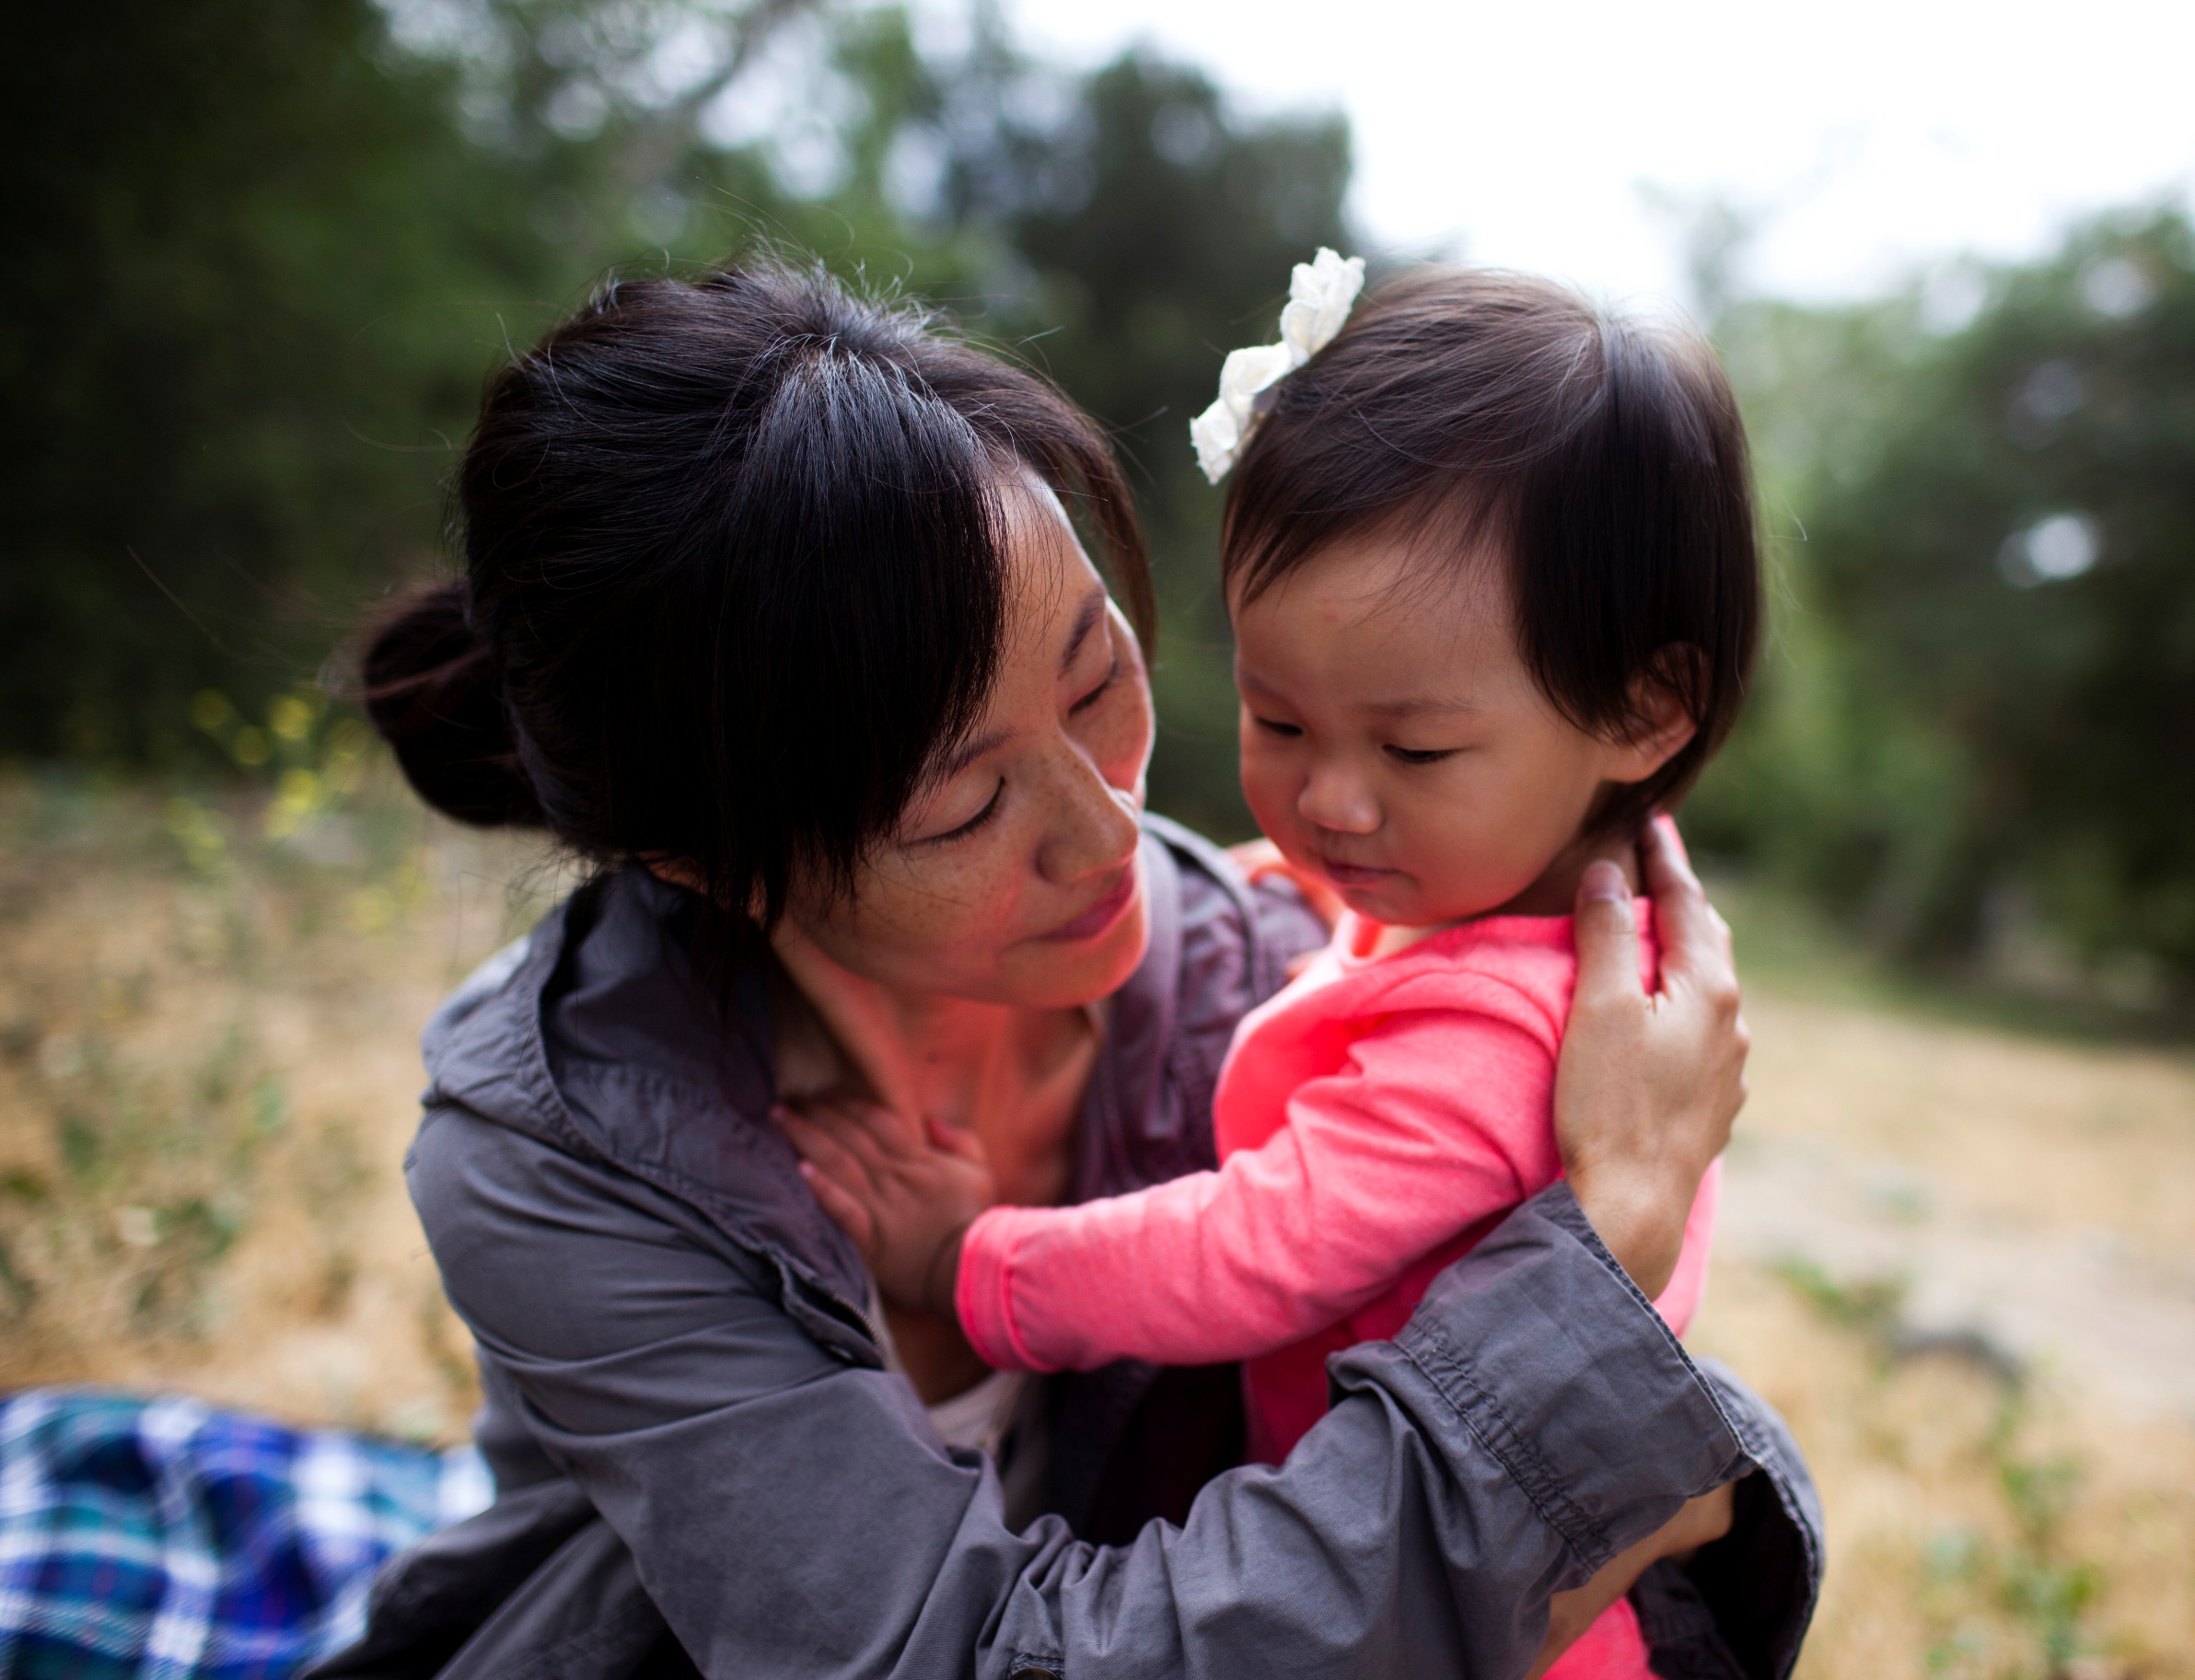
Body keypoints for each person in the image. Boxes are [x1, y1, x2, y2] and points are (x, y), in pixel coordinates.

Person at [304, 257, 1820, 1680]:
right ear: (703, 856)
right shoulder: (573, 1155)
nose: (1112, 837)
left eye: (1099, 677)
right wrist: (1605, 1238)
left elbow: (1659, 1482)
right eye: (964, 807)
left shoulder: (1266, 968)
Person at [781, 256, 1759, 1680]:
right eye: (1277, 716)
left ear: (1640, 707)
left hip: (1498, 1625)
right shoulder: (1533, 886)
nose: (1333, 801)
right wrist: (1304, 874)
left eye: (1412, 749)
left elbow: (1254, 1247)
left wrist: (969, 1262)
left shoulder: (1500, 1044)